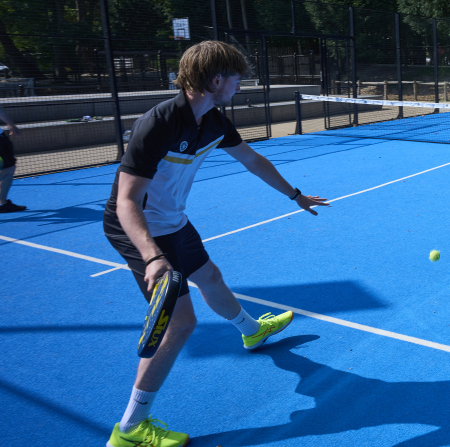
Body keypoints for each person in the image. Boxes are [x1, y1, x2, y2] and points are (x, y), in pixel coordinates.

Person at [104, 41, 328, 447]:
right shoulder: (159, 123)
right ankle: (131, 429)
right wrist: (152, 257)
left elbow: (253, 160)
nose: (241, 85)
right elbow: (125, 201)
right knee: (181, 323)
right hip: (140, 228)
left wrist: (295, 195)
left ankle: (251, 331)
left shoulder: (214, 123)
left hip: (172, 222)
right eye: (238, 78)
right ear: (216, 79)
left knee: (210, 276)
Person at [0, 103, 26, 212]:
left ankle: (2, 204)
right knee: (7, 171)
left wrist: (11, 125)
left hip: (1, 137)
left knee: (9, 169)